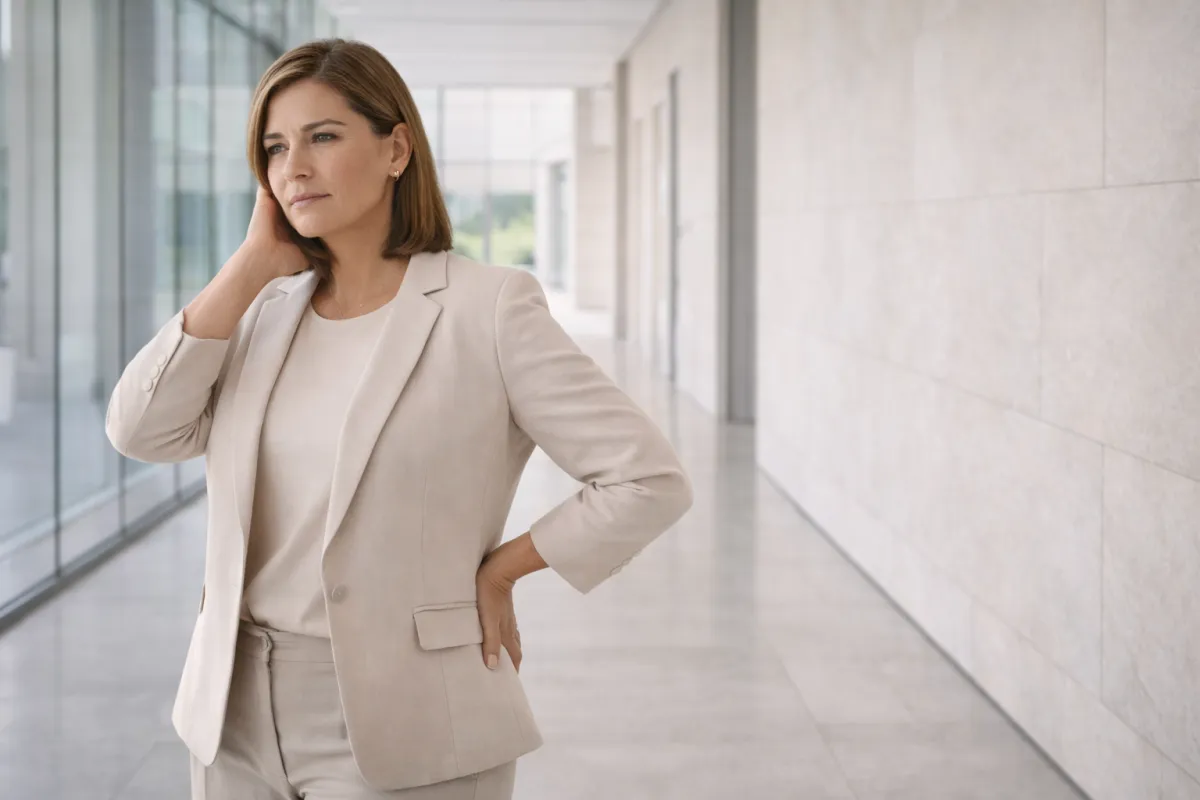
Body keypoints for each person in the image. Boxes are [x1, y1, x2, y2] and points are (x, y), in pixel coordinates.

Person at [105, 38, 692, 800]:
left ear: (396, 149)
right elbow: (140, 430)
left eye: (323, 136)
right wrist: (250, 265)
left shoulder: (488, 307)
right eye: (275, 147)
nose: (295, 167)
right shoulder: (260, 315)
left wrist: (505, 568)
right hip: (233, 716)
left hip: (411, 718)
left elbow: (646, 478)